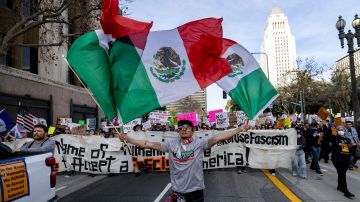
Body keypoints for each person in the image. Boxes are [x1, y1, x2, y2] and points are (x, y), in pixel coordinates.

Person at [118, 119, 249, 202]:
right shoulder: (171, 145)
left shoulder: (199, 143)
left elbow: (217, 138)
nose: (184, 129)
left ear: (193, 131)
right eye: (181, 128)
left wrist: (239, 129)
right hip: (178, 191)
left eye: (187, 127)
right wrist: (128, 139)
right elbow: (147, 143)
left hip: (196, 191)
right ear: (178, 131)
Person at [331, 126, 355, 198]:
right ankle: (346, 191)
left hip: (346, 160)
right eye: (340, 130)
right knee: (342, 174)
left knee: (341, 173)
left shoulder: (347, 139)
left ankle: (339, 186)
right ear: (337, 131)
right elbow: (327, 133)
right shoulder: (334, 138)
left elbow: (351, 150)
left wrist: (354, 146)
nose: (341, 131)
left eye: (342, 130)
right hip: (337, 160)